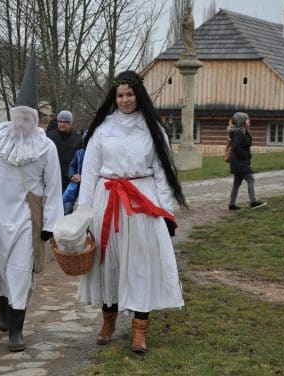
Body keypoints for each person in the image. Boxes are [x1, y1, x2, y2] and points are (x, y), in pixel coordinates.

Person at [76, 70, 187, 354]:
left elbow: (164, 173)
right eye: (120, 95)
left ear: (139, 95)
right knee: (107, 263)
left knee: (140, 264)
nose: (125, 100)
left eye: (130, 94)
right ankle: (108, 321)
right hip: (108, 199)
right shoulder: (102, 129)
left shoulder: (153, 129)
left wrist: (166, 213)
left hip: (141, 202)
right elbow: (89, 172)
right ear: (114, 97)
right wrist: (83, 213)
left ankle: (139, 328)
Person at [0, 52, 63, 352]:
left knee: (19, 272)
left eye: (26, 116)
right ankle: (4, 307)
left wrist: (50, 226)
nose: (20, 121)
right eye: (17, 115)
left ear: (35, 118)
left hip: (24, 220)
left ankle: (16, 331)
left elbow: (54, 188)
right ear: (12, 114)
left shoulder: (46, 148)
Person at [228, 112, 267, 210]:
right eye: (247, 119)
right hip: (240, 163)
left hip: (239, 162)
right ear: (242, 121)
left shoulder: (243, 132)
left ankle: (232, 205)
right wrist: (245, 155)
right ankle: (253, 202)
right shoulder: (239, 133)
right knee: (251, 179)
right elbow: (235, 147)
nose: (249, 120)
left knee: (236, 184)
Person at [47, 110, 83, 191]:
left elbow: (81, 160)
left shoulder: (78, 139)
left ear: (70, 123)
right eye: (60, 121)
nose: (62, 124)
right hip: (52, 179)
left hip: (70, 180)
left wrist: (79, 174)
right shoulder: (50, 137)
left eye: (65, 122)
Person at [62, 147, 84, 215]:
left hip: (88, 189)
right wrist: (72, 176)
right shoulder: (80, 152)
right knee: (66, 210)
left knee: (83, 213)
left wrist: (83, 178)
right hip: (74, 186)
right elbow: (72, 165)